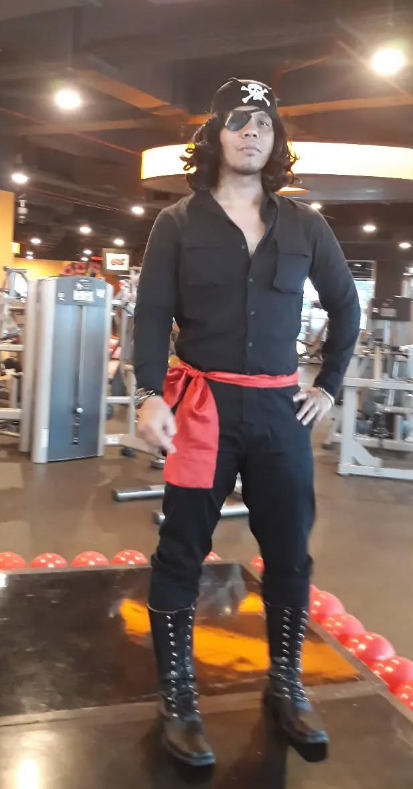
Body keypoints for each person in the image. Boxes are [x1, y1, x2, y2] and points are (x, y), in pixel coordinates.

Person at [133, 78, 361, 767]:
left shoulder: (305, 225)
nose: (252, 130)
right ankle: (178, 700)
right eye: (238, 119)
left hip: (278, 412)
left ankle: (285, 685)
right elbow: (151, 314)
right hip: (201, 409)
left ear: (275, 138)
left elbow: (345, 306)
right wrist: (149, 393)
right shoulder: (177, 223)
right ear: (214, 135)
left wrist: (328, 385)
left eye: (263, 121)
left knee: (289, 552)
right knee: (181, 549)